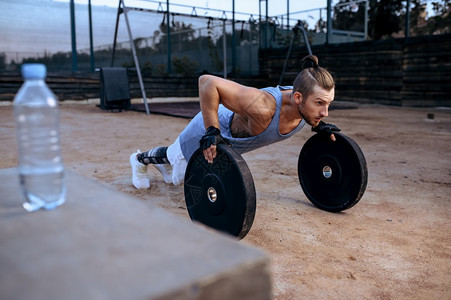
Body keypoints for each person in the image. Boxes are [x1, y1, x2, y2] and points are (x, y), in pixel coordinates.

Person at [129, 55, 339, 189]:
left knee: (179, 167)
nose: (325, 112)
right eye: (320, 103)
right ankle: (138, 159)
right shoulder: (263, 106)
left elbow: (311, 105)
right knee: (176, 160)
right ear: (298, 98)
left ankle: (165, 165)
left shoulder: (305, 105)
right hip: (212, 126)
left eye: (328, 104)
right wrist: (212, 131)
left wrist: (317, 124)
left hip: (230, 140)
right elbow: (207, 82)